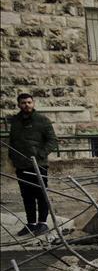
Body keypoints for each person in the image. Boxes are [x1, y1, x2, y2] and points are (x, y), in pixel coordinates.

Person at [8, 93, 58, 236]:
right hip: (21, 166)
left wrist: (40, 155)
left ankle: (42, 223)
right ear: (19, 105)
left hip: (39, 165)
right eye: (23, 103)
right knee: (27, 196)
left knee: (41, 194)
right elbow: (13, 141)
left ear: (33, 103)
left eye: (29, 102)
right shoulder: (16, 121)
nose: (27, 105)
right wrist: (12, 158)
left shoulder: (42, 120)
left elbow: (53, 141)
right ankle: (31, 224)